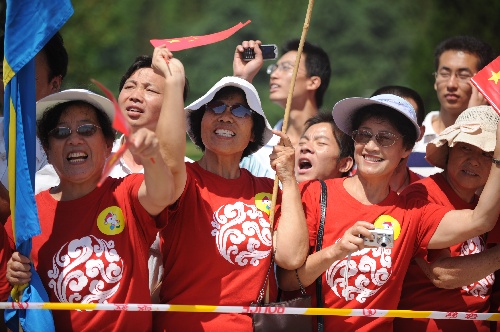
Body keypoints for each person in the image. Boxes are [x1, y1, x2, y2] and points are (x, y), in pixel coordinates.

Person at [277, 93, 500, 331]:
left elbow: (481, 220)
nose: (371, 146)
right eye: (364, 135)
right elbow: (288, 281)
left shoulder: (413, 212)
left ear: (406, 149)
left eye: (386, 138)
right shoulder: (314, 193)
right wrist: (335, 251)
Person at [5, 49, 186, 331]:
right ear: (47, 150)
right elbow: (9, 295)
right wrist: (12, 274)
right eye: (61, 133)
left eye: (87, 130)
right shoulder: (26, 215)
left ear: (108, 145)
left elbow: (165, 191)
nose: (74, 140)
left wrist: (152, 157)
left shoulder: (126, 194)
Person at [151, 44, 309, 331]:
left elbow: (291, 256)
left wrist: (288, 178)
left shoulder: (268, 188)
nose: (226, 116)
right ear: (200, 124)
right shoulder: (183, 179)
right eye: (215, 107)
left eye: (240, 110)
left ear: (253, 133)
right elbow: (166, 154)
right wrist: (173, 84)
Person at [34, 55, 191, 296]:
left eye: (150, 90)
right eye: (129, 86)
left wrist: (174, 80)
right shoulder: (79, 162)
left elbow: (166, 178)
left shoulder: (184, 174)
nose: (135, 95)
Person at [394, 106, 500, 331]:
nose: (474, 160)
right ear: (449, 150)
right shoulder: (421, 195)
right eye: (466, 148)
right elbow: (442, 274)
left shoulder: (491, 205)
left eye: (487, 154)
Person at [236, 39, 332, 178]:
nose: (274, 75)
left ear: (313, 82)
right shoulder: (258, 146)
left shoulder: (337, 146)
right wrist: (242, 77)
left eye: (286, 68)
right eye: (274, 68)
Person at [1, 31, 68, 224]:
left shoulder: (69, 146)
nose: (10, 83)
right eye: (5, 73)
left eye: (24, 75)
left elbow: (33, 217)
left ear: (54, 83)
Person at [409, 35, 495, 177]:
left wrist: (474, 121)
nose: (451, 84)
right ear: (435, 80)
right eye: (444, 73)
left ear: (482, 82)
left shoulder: (493, 146)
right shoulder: (413, 137)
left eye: (463, 75)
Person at [371, 85, 426, 193]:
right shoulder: (334, 191)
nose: (372, 145)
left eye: (401, 124)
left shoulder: (430, 194)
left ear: (419, 134)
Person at [296, 111, 354, 182]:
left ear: (344, 164)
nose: (304, 147)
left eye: (321, 143)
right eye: (302, 143)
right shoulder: (281, 191)